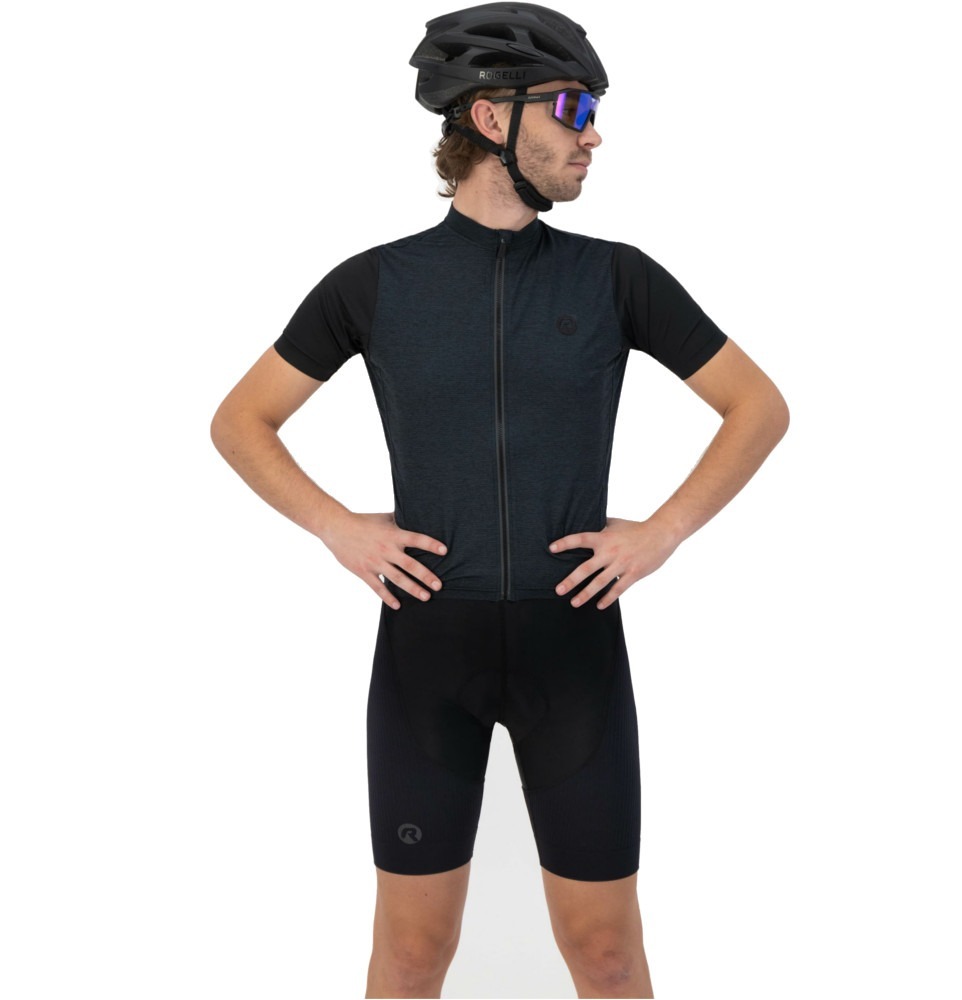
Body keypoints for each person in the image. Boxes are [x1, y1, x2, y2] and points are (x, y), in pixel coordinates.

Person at [210, 3, 789, 996]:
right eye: (573, 109)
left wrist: (662, 534)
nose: (593, 134)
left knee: (607, 953)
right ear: (489, 118)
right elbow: (240, 420)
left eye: (594, 112)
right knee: (410, 954)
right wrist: (337, 527)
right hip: (426, 653)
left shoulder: (615, 279)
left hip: (575, 650)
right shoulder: (374, 285)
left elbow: (758, 406)